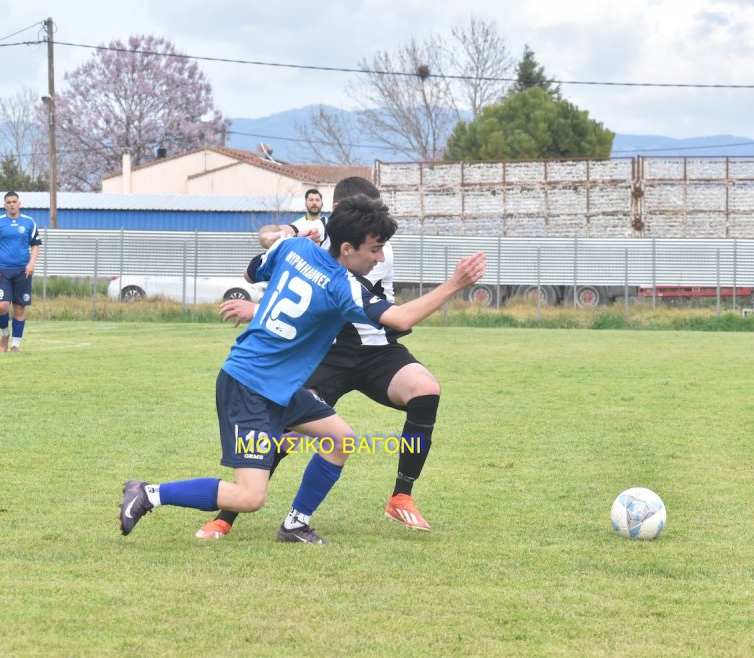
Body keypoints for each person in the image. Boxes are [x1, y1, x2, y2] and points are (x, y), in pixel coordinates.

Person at [119, 195, 486, 544]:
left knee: (341, 439)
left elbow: (251, 273)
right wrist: (455, 284)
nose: (379, 257)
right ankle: (149, 493)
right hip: (249, 386)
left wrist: (285, 240)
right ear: (347, 248)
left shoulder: (293, 248)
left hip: (277, 385)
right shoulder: (345, 287)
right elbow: (401, 318)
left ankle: (296, 523)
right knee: (249, 497)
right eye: (374, 249)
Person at [197, 176, 438, 541]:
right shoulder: (316, 235)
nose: (379, 254)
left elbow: (317, 295)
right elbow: (273, 243)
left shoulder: (372, 245)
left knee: (425, 389)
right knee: (285, 431)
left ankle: (401, 494)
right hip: (328, 351)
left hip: (376, 348)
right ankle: (227, 514)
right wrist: (274, 243)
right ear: (338, 210)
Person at [0, 191, 42, 353]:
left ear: (19, 204)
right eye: (9, 202)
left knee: (19, 308)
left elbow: (35, 245)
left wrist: (32, 263)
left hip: (23, 271)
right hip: (2, 271)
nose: (12, 204)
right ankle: (4, 334)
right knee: (2, 306)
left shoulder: (29, 222)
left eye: (14, 201)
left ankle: (16, 345)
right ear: (5, 205)